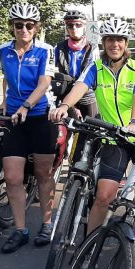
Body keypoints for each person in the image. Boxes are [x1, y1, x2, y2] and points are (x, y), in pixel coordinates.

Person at [49, 18, 135, 235]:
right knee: (103, 196)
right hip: (114, 138)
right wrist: (64, 105)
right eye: (109, 40)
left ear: (126, 43)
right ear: (104, 43)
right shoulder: (96, 68)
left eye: (119, 40)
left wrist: (134, 122)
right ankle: (87, 249)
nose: (114, 44)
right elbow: (80, 87)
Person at [0, 3, 58, 253]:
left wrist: (25, 106)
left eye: (29, 25)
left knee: (43, 174)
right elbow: (6, 78)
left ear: (36, 28)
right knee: (12, 177)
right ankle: (20, 230)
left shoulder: (45, 50)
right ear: (12, 27)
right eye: (18, 25)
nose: (23, 29)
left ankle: (46, 223)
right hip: (14, 119)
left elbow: (44, 83)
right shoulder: (3, 51)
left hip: (40, 116)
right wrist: (4, 101)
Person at [53, 9, 99, 162]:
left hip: (86, 95)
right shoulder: (58, 48)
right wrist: (72, 106)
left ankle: (88, 162)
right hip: (64, 94)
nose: (74, 29)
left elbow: (89, 77)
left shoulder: (93, 48)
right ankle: (61, 157)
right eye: (70, 25)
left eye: (78, 25)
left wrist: (76, 104)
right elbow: (55, 72)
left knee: (90, 132)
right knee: (60, 131)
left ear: (84, 26)